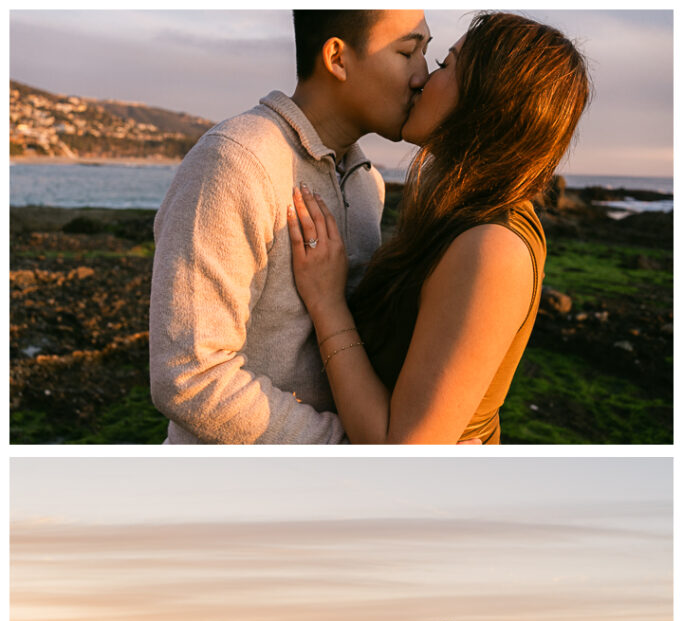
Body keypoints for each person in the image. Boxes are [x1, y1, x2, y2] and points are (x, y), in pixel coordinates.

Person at [287, 11, 591, 443]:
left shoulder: (491, 248)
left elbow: (404, 454)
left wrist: (326, 303)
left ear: (486, 102)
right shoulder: (457, 218)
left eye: (445, 65)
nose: (422, 78)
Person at [149, 10, 432, 444]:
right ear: (337, 58)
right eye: (408, 52)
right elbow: (189, 374)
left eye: (426, 53)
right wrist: (344, 449)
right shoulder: (236, 161)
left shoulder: (367, 183)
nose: (423, 76)